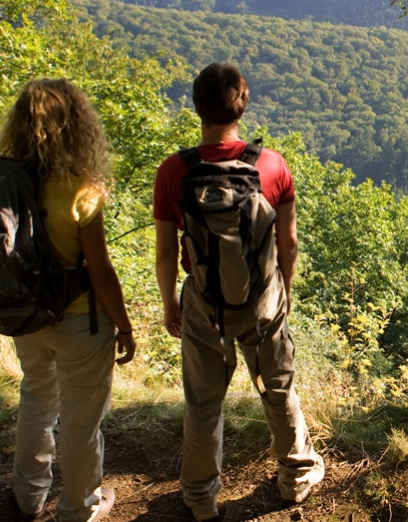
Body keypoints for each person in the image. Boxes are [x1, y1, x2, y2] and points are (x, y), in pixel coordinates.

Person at [153, 62, 324, 521]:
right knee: (278, 389)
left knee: (203, 403)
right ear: (242, 105)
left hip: (204, 307)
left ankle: (200, 497)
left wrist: (171, 303)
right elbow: (287, 242)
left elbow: (167, 253)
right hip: (263, 303)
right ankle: (296, 478)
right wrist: (282, 293)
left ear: (196, 108)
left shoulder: (174, 171)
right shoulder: (270, 165)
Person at [0, 79, 135, 522]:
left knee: (36, 396)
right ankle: (78, 508)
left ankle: (27, 496)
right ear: (76, 128)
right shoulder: (80, 190)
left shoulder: (4, 182)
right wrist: (125, 326)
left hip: (27, 317)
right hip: (79, 323)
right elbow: (101, 273)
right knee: (80, 419)